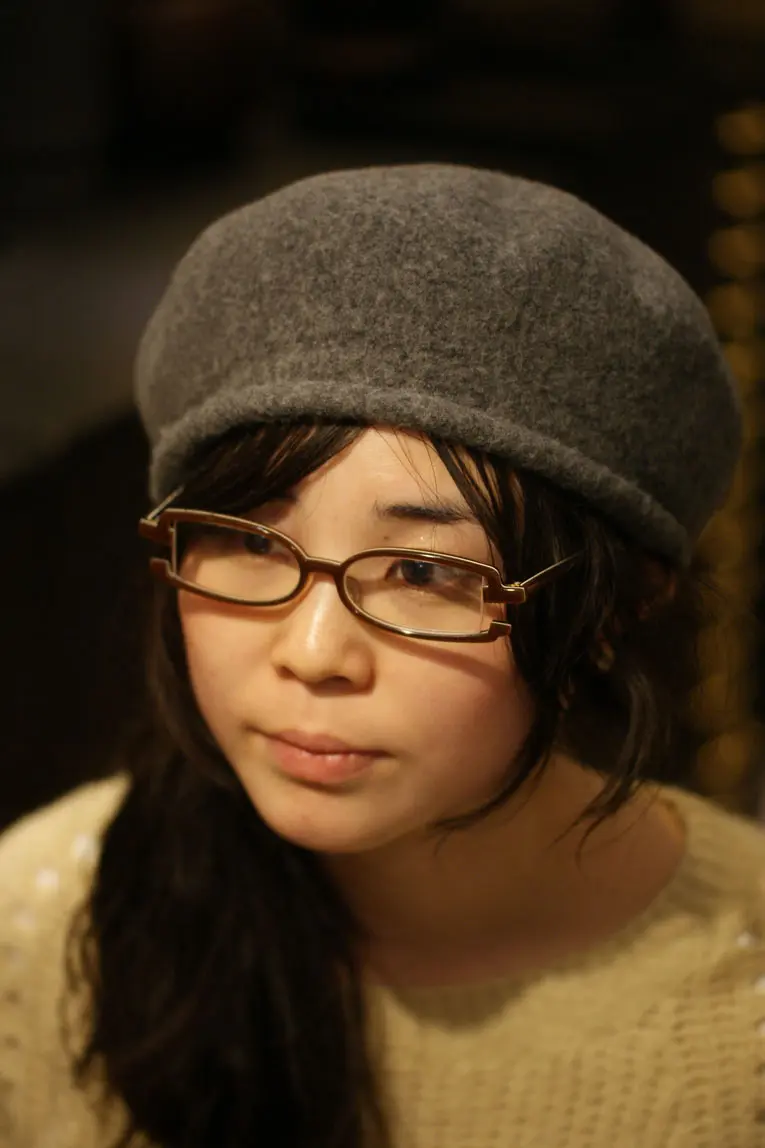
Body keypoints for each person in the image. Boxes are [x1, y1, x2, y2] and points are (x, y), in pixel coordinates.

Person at [1, 162, 764, 1148]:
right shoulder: (45, 919)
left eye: (421, 569)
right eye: (250, 541)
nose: (314, 652)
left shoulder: (738, 1008)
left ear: (613, 608)